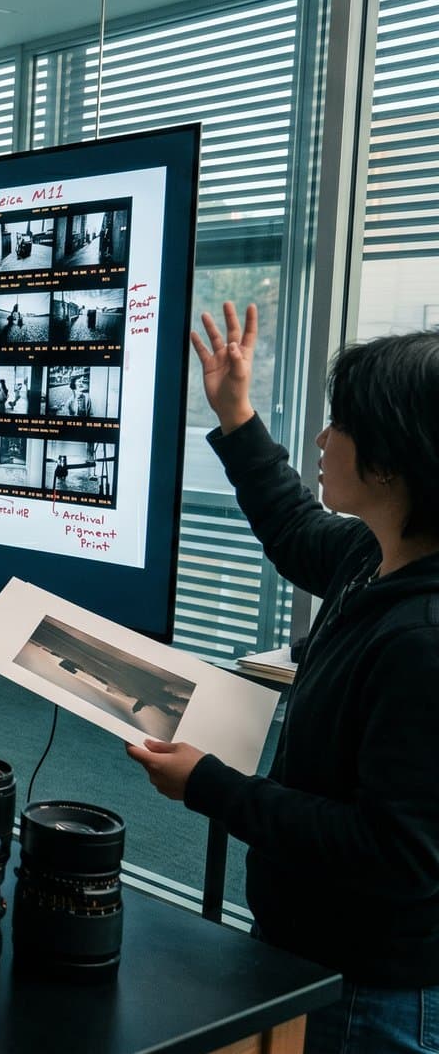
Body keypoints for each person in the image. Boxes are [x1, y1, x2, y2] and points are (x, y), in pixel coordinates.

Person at [128, 303, 439, 1052]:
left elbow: (395, 852)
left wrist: (211, 786)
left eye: (340, 426)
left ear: (391, 459)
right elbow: (294, 526)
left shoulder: (423, 642)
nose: (322, 441)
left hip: (368, 992)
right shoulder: (373, 555)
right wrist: (235, 415)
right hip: (315, 949)